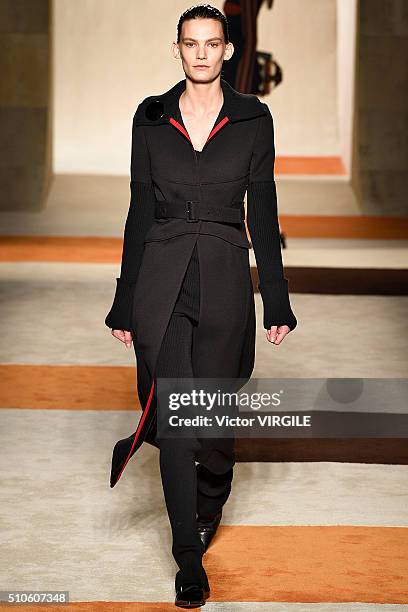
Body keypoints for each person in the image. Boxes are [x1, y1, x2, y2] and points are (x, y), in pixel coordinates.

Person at [104, 4, 297, 608]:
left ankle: (212, 496)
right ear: (177, 50)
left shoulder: (252, 119)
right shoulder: (151, 117)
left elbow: (262, 212)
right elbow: (138, 210)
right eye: (192, 44)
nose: (202, 53)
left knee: (213, 424)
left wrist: (278, 301)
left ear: (228, 52)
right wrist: (122, 299)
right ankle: (187, 556)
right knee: (179, 420)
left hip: (223, 280)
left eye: (213, 44)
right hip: (162, 281)